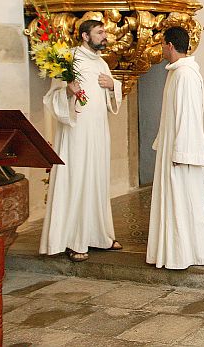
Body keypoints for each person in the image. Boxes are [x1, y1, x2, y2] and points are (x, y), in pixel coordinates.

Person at [39, 20, 122, 262]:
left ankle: (99, 236)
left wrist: (112, 85)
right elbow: (52, 97)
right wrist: (67, 91)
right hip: (76, 133)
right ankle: (73, 240)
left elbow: (109, 96)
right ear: (85, 36)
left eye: (104, 32)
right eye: (100, 32)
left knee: (96, 179)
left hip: (97, 131)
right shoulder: (69, 59)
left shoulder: (103, 62)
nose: (104, 36)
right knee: (77, 180)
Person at [146, 26, 204, 269]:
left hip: (181, 153)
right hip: (174, 148)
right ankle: (175, 251)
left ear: (169, 45)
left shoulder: (185, 75)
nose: (161, 49)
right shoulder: (176, 73)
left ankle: (187, 253)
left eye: (162, 45)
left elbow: (188, 116)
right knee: (176, 201)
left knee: (184, 201)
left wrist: (181, 152)